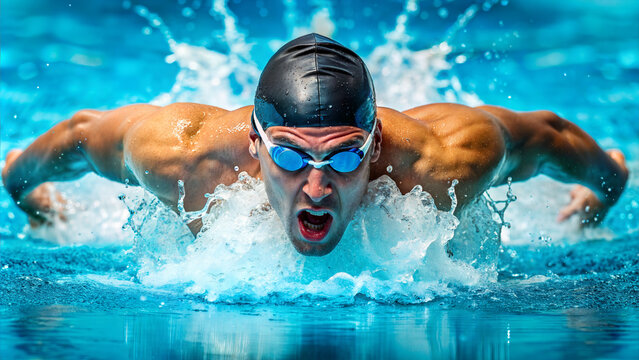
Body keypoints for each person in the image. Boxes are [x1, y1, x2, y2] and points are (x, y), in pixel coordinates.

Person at [2, 33, 628, 256]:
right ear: (254, 140)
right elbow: (81, 136)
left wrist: (605, 189)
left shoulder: (441, 162)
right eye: (290, 156)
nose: (318, 186)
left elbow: (547, 135)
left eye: (348, 156)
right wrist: (23, 190)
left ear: (376, 141)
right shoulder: (185, 157)